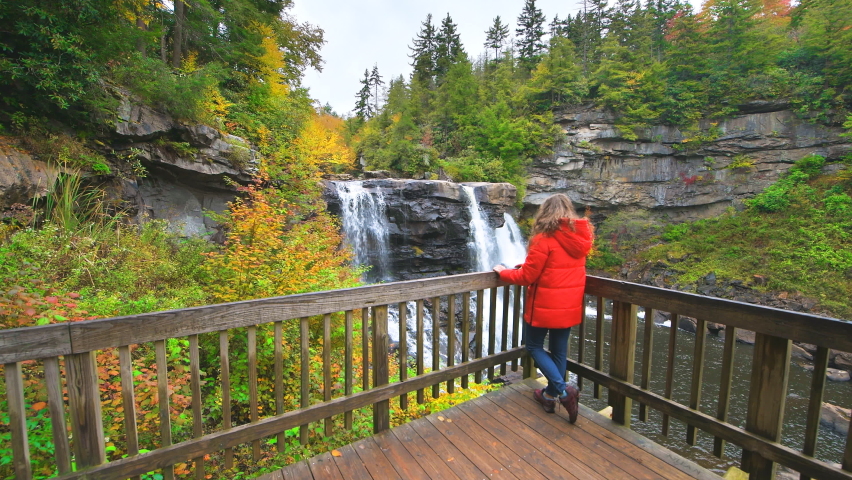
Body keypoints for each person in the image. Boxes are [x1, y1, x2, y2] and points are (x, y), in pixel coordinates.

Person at [493, 194, 593, 423]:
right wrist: (523, 265)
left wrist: (503, 272)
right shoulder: (579, 239)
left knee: (534, 346)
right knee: (559, 351)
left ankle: (564, 391)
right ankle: (548, 395)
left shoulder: (543, 238)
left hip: (545, 306)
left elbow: (528, 276)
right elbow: (554, 267)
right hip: (569, 305)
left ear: (545, 212)